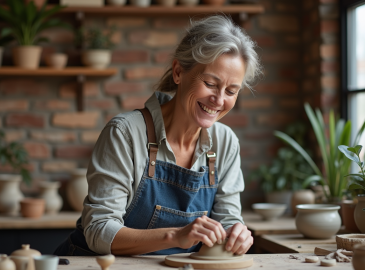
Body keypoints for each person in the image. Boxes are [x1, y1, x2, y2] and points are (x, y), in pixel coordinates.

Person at [54, 15, 261, 256]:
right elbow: (98, 230)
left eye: (231, 91)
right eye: (210, 83)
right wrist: (175, 236)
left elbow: (227, 219)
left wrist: (235, 234)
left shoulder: (225, 142)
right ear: (178, 72)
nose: (219, 100)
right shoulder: (125, 133)